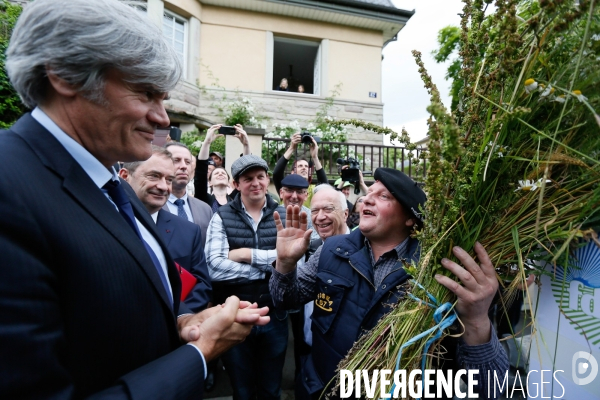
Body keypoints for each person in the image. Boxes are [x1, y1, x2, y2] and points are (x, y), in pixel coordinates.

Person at [0, 0, 269, 398]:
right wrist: (199, 353)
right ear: (65, 75)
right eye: (145, 92)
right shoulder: (10, 187)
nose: (163, 118)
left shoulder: (108, 184)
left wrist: (182, 326)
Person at [270, 168, 509, 399]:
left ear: (409, 218)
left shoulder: (439, 272)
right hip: (323, 390)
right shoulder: (332, 250)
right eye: (368, 194)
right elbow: (284, 300)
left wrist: (477, 320)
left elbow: (489, 386)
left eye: (383, 196)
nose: (367, 200)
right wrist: (285, 265)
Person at [206, 155, 289, 400]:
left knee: (271, 388)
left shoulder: (283, 216)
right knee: (241, 389)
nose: (255, 183)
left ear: (267, 180)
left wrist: (244, 254)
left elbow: (295, 261)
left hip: (274, 315)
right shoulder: (221, 216)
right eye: (248, 178)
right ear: (236, 184)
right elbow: (215, 267)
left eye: (260, 177)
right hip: (235, 315)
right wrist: (271, 264)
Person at [119, 146, 212, 312]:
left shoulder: (189, 231)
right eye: (154, 176)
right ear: (125, 176)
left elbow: (201, 286)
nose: (163, 187)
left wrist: (178, 318)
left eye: (169, 180)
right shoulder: (103, 220)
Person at [293, 184, 351, 400]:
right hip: (307, 347)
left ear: (345, 214)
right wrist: (285, 263)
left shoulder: (362, 250)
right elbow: (290, 296)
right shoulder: (313, 246)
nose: (319, 217)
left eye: (327, 210)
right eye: (314, 211)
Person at [164, 141, 213, 241]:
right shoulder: (149, 207)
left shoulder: (205, 209)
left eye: (187, 162)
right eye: (176, 160)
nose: (183, 166)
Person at [195, 123, 250, 210]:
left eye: (223, 173)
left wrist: (246, 145)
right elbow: (200, 172)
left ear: (228, 183)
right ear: (210, 182)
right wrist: (207, 142)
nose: (220, 174)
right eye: (216, 173)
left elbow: (246, 174)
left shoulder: (236, 199)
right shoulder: (204, 199)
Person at [273, 132, 328, 207]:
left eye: (306, 166)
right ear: (292, 172)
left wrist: (315, 157)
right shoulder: (286, 187)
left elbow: (325, 186)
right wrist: (291, 148)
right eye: (300, 166)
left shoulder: (312, 189)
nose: (304, 168)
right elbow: (276, 174)